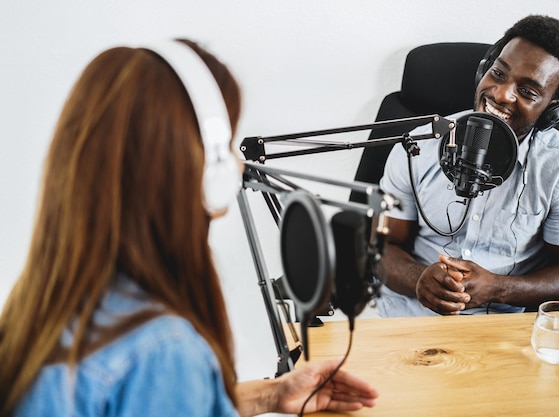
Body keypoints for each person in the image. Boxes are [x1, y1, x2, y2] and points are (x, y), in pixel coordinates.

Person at [0, 39, 378, 416]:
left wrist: (270, 394)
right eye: (226, 144)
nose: (240, 166)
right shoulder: (164, 350)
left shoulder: (47, 305)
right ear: (202, 171)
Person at [376, 15, 559, 317]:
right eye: (498, 73)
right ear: (484, 69)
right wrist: (418, 278)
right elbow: (383, 247)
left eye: (527, 91)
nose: (501, 94)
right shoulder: (418, 146)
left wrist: (498, 287)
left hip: (501, 331)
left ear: (552, 110)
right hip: (408, 318)